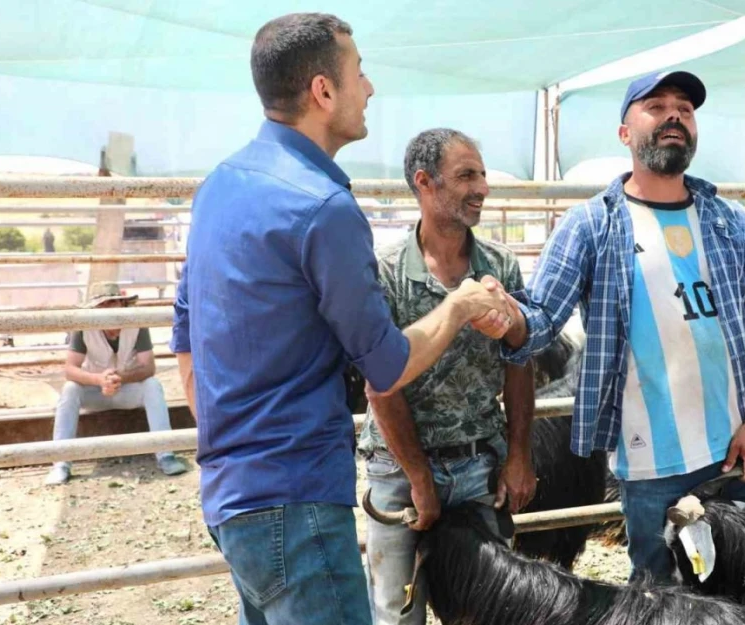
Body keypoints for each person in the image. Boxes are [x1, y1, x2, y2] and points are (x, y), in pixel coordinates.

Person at [170, 14, 512, 625]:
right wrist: (459, 305)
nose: (370, 89)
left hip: (230, 495)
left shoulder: (220, 185)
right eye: (359, 73)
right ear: (323, 92)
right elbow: (385, 363)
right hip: (297, 501)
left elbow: (186, 330)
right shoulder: (323, 207)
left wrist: (227, 438)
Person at [485, 70, 745, 583]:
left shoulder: (730, 222)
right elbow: (540, 322)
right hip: (651, 463)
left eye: (685, 108)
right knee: (663, 600)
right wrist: (505, 315)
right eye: (656, 106)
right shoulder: (591, 225)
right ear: (625, 133)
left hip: (743, 452)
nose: (674, 115)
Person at [359, 128, 537, 625]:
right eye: (466, 175)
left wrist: (520, 454)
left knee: (491, 611)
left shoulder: (499, 264)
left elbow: (519, 362)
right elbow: (381, 383)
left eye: (481, 174)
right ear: (424, 183)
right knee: (399, 611)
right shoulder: (385, 272)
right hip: (397, 470)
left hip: (479, 464)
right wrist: (419, 477)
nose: (481, 187)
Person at [46, 281, 187, 485]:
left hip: (125, 389)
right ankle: (61, 463)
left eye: (113, 302)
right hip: (95, 391)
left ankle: (166, 455)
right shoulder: (83, 327)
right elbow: (70, 369)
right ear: (94, 310)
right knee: (70, 390)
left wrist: (120, 377)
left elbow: (148, 367)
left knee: (153, 385)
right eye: (102, 305)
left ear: (122, 304)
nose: (108, 308)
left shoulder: (136, 323)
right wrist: (98, 379)